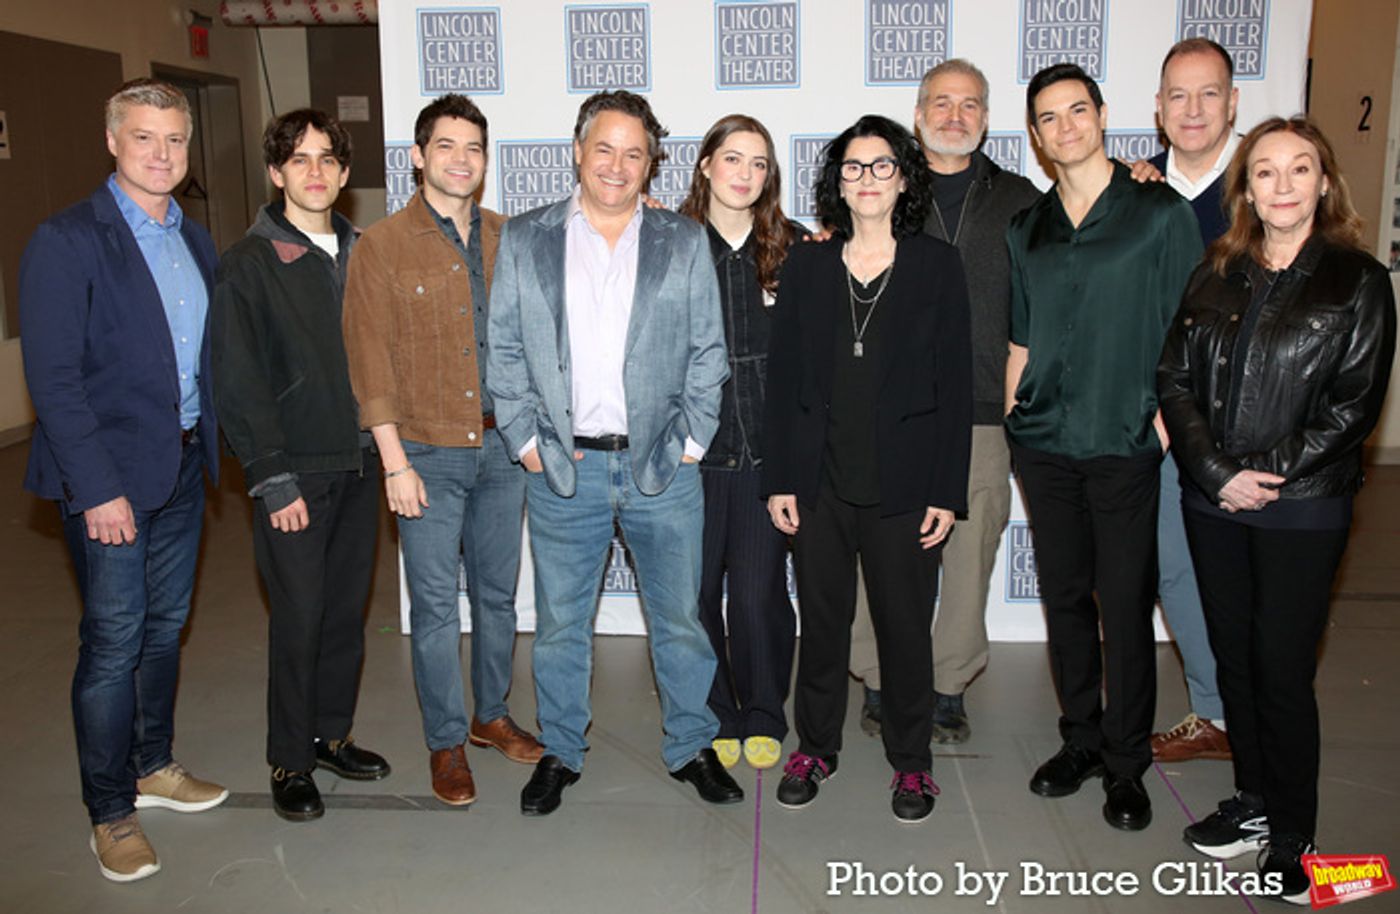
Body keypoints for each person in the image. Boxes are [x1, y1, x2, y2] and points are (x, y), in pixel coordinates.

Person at [1159, 116, 1395, 904]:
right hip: (1213, 500)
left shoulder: (1357, 281)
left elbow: (1354, 406)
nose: (1283, 184)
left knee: (1283, 672)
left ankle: (1294, 834)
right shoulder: (1215, 269)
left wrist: (1266, 475)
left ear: (1324, 182)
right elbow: (1174, 378)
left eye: (1300, 169)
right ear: (1246, 188)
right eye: (1266, 172)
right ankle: (1254, 804)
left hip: (1303, 508)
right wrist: (1217, 472)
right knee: (1234, 660)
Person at [486, 90, 742, 816]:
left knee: (680, 620)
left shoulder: (681, 241)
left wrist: (692, 441)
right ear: (577, 150)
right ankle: (562, 751)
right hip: (563, 471)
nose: (617, 165)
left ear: (650, 162)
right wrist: (527, 441)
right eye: (605, 148)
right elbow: (503, 348)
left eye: (635, 152)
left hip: (661, 467)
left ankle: (691, 744)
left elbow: (707, 351)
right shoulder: (528, 238)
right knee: (563, 624)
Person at [20, 78, 227, 882]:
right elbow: (55, 380)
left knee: (162, 627)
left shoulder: (195, 240)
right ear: (113, 140)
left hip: (179, 467)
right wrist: (96, 488)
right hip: (109, 480)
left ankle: (154, 764)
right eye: (144, 137)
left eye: (175, 139)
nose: (162, 153)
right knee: (112, 644)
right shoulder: (67, 240)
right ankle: (110, 811)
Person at [1005, 64, 1202, 832]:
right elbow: (1021, 337)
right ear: (1036, 133)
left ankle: (1127, 764)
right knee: (1064, 602)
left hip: (1126, 441)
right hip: (1045, 442)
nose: (1065, 127)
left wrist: (1160, 428)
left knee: (1123, 606)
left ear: (1102, 114)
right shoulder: (1028, 228)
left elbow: (1192, 332)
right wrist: (1017, 414)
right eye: (1048, 118)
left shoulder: (1159, 212)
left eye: (1076, 111)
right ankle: (1080, 740)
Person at [762, 114, 972, 823]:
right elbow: (784, 379)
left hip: (905, 490)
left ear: (904, 179)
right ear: (837, 183)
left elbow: (955, 390)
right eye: (853, 167)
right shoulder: (809, 264)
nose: (868, 179)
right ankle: (815, 746)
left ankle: (912, 764)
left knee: (905, 631)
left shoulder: (938, 267)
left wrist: (946, 491)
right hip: (820, 486)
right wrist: (780, 480)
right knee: (821, 627)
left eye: (882, 166)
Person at [343, 93, 541, 809]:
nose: (462, 160)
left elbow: (532, 344)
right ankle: (446, 741)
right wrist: (394, 462)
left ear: (486, 161)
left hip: (500, 450)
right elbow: (369, 361)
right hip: (424, 454)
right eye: (447, 146)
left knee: (496, 596)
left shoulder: (507, 237)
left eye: (475, 148)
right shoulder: (382, 246)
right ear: (419, 157)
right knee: (432, 609)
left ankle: (490, 717)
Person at [847, 59, 1040, 744]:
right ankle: (874, 674)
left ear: (986, 119)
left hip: (985, 408)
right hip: (887, 410)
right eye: (941, 102)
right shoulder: (885, 189)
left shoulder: (1022, 201)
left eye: (970, 105)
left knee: (968, 555)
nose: (954, 116)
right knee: (883, 549)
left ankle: (948, 685)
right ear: (919, 110)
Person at [210, 109, 390, 822]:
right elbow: (239, 378)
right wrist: (271, 474)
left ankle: (330, 734)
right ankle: (289, 755)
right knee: (300, 615)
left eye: (328, 159)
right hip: (295, 474)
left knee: (346, 612)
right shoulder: (250, 264)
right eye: (299, 159)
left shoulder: (362, 253)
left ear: (345, 176)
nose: (314, 172)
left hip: (358, 465)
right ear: (277, 173)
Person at [677, 115, 803, 772]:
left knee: (757, 596)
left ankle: (764, 711)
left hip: (765, 458)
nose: (745, 174)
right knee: (695, 598)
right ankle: (717, 712)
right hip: (690, 457)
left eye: (758, 163)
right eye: (732, 159)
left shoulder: (796, 246)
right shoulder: (668, 245)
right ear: (704, 166)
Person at [1132, 37, 1242, 763]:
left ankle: (1253, 712)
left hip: (1251, 427)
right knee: (1175, 570)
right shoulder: (1136, 194)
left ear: (1234, 103)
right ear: (1159, 110)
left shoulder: (1263, 189)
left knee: (1253, 581)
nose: (1194, 109)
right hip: (1161, 427)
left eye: (1209, 94)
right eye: (1179, 95)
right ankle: (1215, 713)